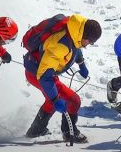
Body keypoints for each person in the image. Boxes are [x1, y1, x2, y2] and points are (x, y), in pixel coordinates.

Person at [23, 14, 101, 143]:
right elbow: (44, 77)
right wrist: (55, 98)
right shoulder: (60, 46)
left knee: (52, 100)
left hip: (41, 70)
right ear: (84, 36)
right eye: (90, 41)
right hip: (38, 74)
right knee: (73, 100)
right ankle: (69, 132)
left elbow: (76, 47)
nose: (89, 44)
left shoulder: (74, 30)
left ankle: (35, 130)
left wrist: (81, 64)